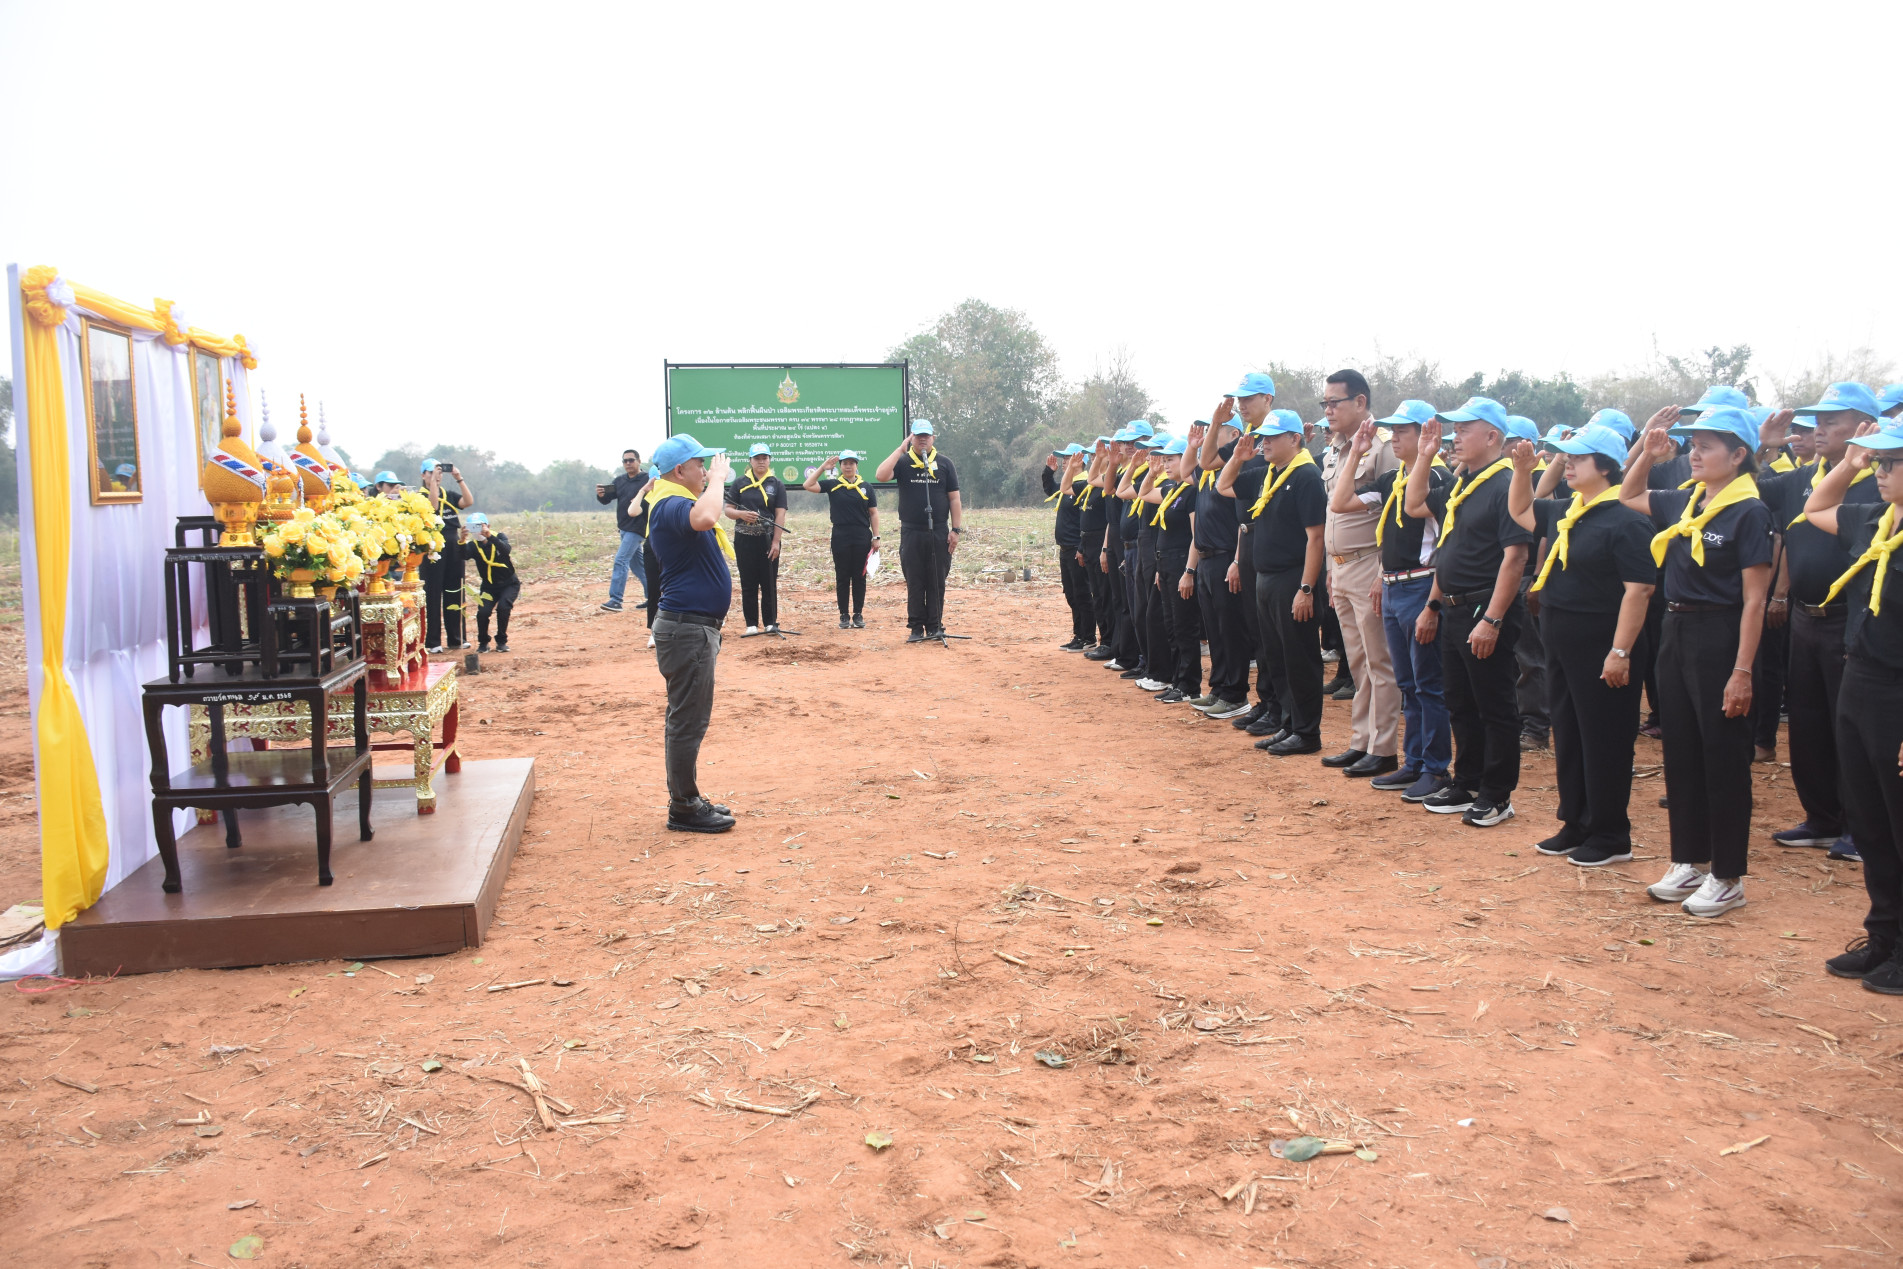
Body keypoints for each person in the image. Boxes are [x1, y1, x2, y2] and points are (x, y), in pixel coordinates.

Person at [1620, 405, 1773, 917]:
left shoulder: (1748, 512)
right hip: (1677, 629)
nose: (1694, 454)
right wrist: (1646, 449)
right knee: (1681, 750)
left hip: (1722, 632)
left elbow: (1754, 600)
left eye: (1706, 446)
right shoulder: (1687, 502)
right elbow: (1629, 495)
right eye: (1692, 445)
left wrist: (1743, 670)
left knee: (1724, 756)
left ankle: (1728, 875)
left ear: (1738, 455)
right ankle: (1689, 859)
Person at [1507, 424, 1656, 865]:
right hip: (1563, 641)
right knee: (1570, 734)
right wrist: (1522, 470)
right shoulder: (1569, 511)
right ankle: (1576, 822)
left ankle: (1611, 834)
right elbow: (1519, 511)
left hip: (1604, 645)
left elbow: (1639, 590)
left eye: (1579, 457)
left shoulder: (1628, 521)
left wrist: (1621, 651)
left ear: (1607, 467)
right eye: (1567, 456)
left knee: (1604, 738)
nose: (1568, 463)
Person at [1757, 384, 1886, 861]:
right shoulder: (1802, 479)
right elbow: (1743, 485)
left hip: (1851, 620)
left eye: (1834, 420)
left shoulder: (1882, 481)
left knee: (1849, 728)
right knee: (1809, 724)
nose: (1821, 428)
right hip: (1805, 618)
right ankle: (1822, 818)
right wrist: (1766, 444)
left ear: (1865, 426)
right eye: (1819, 421)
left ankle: (1859, 826)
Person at [1801, 419, 1903, 992]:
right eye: (1880, 462)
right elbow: (1819, 504)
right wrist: (1853, 460)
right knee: (1870, 821)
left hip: (1900, 691)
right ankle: (1884, 936)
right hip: (1860, 679)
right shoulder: (1874, 520)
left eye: (1892, 463)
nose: (1881, 472)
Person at [1404, 398, 1534, 826]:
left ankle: (1497, 793)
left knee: (1494, 704)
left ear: (1492, 436)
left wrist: (1493, 619)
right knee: (1461, 701)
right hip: (1455, 606)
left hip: (1485, 606)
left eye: (1464, 429)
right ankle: (1468, 779)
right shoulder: (1464, 484)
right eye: (1454, 430)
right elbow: (1414, 502)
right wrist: (1424, 455)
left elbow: (1514, 559)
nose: (1454, 437)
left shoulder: (1505, 485)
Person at [1336, 400, 1452, 798]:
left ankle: (1436, 768)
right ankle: (1414, 761)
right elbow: (1341, 501)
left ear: (1426, 435)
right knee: (1406, 681)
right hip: (1392, 583)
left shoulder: (1437, 477)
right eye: (1394, 430)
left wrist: (1433, 602)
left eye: (1404, 430)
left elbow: (1439, 542)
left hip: (1421, 584)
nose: (1395, 437)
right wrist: (1355, 452)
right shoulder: (1391, 479)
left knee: (1428, 683)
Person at [1219, 409, 1327, 754]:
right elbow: (1223, 485)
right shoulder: (1268, 473)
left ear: (1295, 439)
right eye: (1263, 436)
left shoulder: (1307, 476)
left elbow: (1316, 538)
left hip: (1293, 578)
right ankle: (1288, 723)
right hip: (1265, 577)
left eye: (1272, 437)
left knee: (1299, 658)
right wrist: (1237, 457)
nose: (1264, 443)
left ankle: (1308, 733)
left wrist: (1307, 588)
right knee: (1276, 657)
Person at [645, 434, 738, 834]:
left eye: (707, 465)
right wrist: (717, 480)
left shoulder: (672, 502)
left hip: (691, 628)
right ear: (679, 471)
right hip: (687, 629)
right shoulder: (669, 504)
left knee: (686, 718)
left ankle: (688, 797)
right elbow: (706, 517)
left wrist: (712, 484)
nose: (706, 470)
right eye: (699, 465)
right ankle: (683, 806)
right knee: (687, 721)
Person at [1317, 369, 1401, 777]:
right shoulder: (1335, 449)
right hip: (1342, 566)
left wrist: (1383, 572)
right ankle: (1360, 741)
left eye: (1336, 402)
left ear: (1361, 403)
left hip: (1370, 563)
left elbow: (1393, 514)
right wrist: (1332, 567)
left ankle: (1383, 747)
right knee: (1356, 663)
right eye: (1325, 403)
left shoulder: (1382, 449)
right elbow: (1333, 511)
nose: (1328, 410)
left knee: (1379, 663)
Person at [1195, 376, 1275, 723]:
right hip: (1249, 537)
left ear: (1268, 399)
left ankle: (1267, 704)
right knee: (1246, 629)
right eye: (1239, 400)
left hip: (1265, 539)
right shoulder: (1249, 439)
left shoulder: (1278, 435)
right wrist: (1217, 422)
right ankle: (1256, 699)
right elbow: (1207, 460)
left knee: (1261, 633)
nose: (1242, 405)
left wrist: (1238, 557)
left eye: (1250, 398)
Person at [876, 420, 963, 642]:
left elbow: (954, 498)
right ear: (911, 438)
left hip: (939, 531)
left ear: (933, 438)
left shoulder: (945, 464)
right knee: (915, 581)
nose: (923, 439)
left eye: (927, 436)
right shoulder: (903, 462)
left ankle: (935, 626)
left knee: (936, 580)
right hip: (911, 532)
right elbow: (881, 475)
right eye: (918, 436)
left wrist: (956, 529)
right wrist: (899, 450)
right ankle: (916, 628)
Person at [1145, 434, 1204, 703]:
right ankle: (1178, 681)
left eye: (1171, 460)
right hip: (1165, 564)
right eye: (1165, 460)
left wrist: (1189, 572)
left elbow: (1196, 536)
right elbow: (1145, 493)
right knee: (1171, 625)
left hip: (1182, 563)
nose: (1166, 465)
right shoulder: (1171, 489)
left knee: (1184, 626)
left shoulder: (1192, 492)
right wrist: (1151, 472)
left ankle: (1190, 685)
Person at [805, 450, 881, 628]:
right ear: (840, 466)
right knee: (842, 577)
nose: (848, 466)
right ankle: (844, 615)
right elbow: (808, 484)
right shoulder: (833, 485)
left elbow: (873, 513)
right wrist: (823, 467)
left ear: (857, 465)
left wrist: (876, 536)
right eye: (845, 463)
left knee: (859, 576)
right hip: (840, 535)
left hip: (862, 535)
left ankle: (858, 614)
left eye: (852, 463)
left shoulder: (866, 487)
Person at [724, 443, 788, 635]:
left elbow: (780, 514)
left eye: (765, 458)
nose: (761, 461)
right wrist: (741, 514)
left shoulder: (776, 484)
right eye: (757, 458)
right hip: (744, 540)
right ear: (750, 461)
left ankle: (770, 622)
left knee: (769, 582)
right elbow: (728, 510)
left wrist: (776, 542)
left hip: (768, 539)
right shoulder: (740, 483)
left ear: (769, 460)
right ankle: (751, 623)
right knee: (748, 582)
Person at [419, 459, 475, 653]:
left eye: (439, 472)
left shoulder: (448, 495)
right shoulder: (419, 496)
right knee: (432, 594)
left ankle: (456, 638)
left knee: (455, 591)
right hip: (432, 548)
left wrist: (459, 478)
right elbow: (432, 507)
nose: (437, 475)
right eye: (431, 472)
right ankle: (432, 642)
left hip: (453, 544)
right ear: (423, 475)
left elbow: (468, 502)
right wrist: (433, 483)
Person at [1043, 445, 1095, 650]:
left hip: (1076, 548)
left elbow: (1086, 519)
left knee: (1082, 594)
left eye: (1066, 458)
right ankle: (1079, 635)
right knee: (1072, 594)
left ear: (1080, 460)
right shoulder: (1069, 485)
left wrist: (1082, 547)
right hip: (1065, 548)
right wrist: (1049, 472)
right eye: (1063, 459)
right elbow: (1051, 490)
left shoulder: (1083, 484)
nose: (1063, 462)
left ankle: (1088, 637)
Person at [597, 448, 650, 614]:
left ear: (639, 461)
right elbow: (607, 500)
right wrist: (601, 495)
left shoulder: (648, 479)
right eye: (625, 461)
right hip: (624, 528)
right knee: (638, 565)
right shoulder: (619, 481)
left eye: (631, 460)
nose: (628, 463)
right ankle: (654, 596)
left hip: (638, 527)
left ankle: (616, 600)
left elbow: (656, 499)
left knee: (620, 560)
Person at [459, 512, 519, 654]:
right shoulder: (473, 546)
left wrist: (489, 536)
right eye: (472, 527)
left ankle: (501, 641)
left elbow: (506, 550)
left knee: (504, 608)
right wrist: (462, 539)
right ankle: (483, 642)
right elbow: (463, 556)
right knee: (483, 613)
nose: (477, 531)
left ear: (488, 526)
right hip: (489, 586)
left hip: (509, 583)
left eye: (479, 526)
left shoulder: (499, 537)